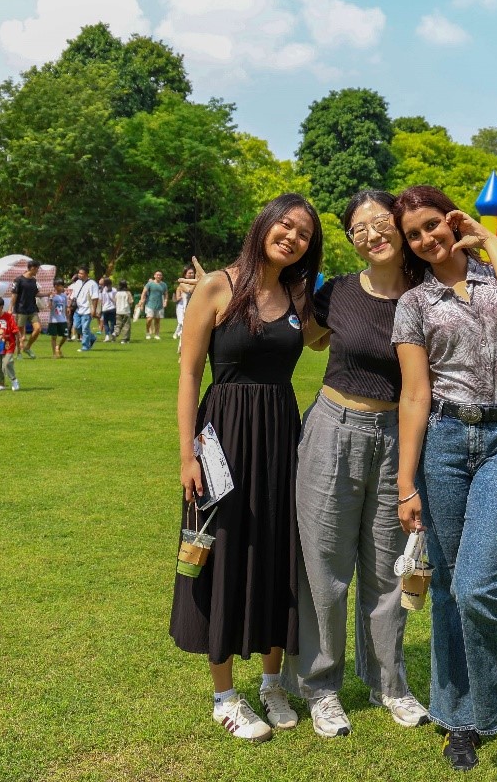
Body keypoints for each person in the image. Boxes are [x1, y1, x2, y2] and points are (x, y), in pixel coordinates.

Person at [391, 185, 497, 772]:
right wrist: (406, 483)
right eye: (415, 235)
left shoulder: (490, 276)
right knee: (451, 589)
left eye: (434, 225)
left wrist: (488, 237)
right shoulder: (415, 304)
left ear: (451, 220)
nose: (428, 239)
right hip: (446, 445)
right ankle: (457, 718)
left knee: (479, 585)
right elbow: (414, 393)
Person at [172, 193, 323, 743]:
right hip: (224, 434)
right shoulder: (218, 285)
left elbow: (338, 336)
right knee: (225, 552)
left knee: (280, 552)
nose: (292, 236)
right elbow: (189, 373)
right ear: (263, 225)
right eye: (285, 225)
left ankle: (272, 683)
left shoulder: (299, 298)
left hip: (283, 435)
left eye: (304, 233)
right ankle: (224, 695)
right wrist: (188, 454)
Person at [281, 190, 429, 739]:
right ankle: (322, 689)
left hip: (399, 438)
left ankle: (391, 684)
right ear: (351, 240)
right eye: (358, 228)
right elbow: (304, 336)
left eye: (380, 222)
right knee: (324, 566)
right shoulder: (337, 293)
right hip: (332, 430)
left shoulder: (427, 294)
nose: (372, 233)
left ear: (399, 224)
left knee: (389, 568)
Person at [11, 259, 42, 359]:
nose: (38, 271)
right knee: (20, 334)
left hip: (32, 309)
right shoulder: (18, 280)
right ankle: (19, 353)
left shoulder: (33, 280)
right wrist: (11, 308)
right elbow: (14, 294)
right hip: (21, 309)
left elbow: (36, 293)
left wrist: (47, 294)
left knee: (38, 329)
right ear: (32, 268)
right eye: (37, 269)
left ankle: (27, 347)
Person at [70, 269, 100, 351]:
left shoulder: (92, 284)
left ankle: (85, 346)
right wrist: (70, 305)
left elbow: (95, 297)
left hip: (87, 310)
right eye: (79, 273)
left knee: (85, 329)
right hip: (78, 309)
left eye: (81, 273)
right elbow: (73, 296)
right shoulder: (77, 283)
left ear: (87, 274)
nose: (79, 275)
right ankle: (92, 337)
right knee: (76, 326)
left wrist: (93, 309)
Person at [138, 270, 169, 340]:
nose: (158, 276)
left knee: (157, 320)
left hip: (159, 305)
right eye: (157, 275)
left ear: (162, 276)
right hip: (150, 304)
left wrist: (165, 301)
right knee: (149, 319)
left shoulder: (164, 285)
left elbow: (166, 294)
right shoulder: (150, 284)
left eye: (160, 275)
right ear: (154, 276)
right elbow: (144, 292)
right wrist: (142, 300)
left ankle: (157, 334)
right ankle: (147, 332)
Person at [174, 265, 196, 352]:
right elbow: (189, 290)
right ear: (185, 274)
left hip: (195, 309)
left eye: (192, 273)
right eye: (189, 273)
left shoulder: (198, 282)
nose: (191, 274)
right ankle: (181, 349)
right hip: (184, 309)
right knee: (183, 327)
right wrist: (198, 283)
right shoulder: (182, 284)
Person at [47, 280, 69, 358]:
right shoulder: (52, 296)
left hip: (62, 319)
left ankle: (58, 347)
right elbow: (49, 307)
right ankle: (54, 354)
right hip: (53, 320)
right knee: (54, 337)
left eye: (61, 286)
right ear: (55, 286)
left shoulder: (64, 296)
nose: (61, 287)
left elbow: (66, 307)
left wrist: (68, 318)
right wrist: (50, 298)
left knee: (65, 335)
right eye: (59, 285)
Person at [99, 277, 117, 342]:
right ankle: (112, 335)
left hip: (105, 308)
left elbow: (101, 300)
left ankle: (107, 336)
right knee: (112, 323)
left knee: (105, 323)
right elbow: (116, 299)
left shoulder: (102, 290)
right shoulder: (114, 290)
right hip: (112, 308)